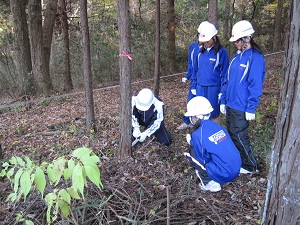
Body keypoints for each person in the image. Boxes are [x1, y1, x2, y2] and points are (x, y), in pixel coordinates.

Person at [219, 20, 266, 174]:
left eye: (238, 40)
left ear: (247, 38)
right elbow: (226, 81)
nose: (236, 43)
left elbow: (255, 85)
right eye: (235, 40)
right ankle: (239, 161)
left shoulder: (255, 58)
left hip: (242, 106)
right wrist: (223, 100)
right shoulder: (235, 59)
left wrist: (251, 107)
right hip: (230, 104)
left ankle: (251, 166)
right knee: (231, 134)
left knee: (239, 136)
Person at [184, 96, 241, 192]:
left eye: (192, 117)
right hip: (236, 168)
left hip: (224, 174)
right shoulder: (218, 127)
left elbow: (202, 158)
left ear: (197, 117)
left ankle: (210, 183)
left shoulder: (198, 134)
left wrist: (191, 143)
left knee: (190, 153)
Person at [190, 21, 229, 125]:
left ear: (214, 38)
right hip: (200, 87)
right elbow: (195, 70)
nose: (206, 43)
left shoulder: (221, 52)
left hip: (214, 88)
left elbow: (225, 74)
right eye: (204, 41)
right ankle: (202, 136)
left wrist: (222, 91)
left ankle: (214, 134)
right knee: (200, 113)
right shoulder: (198, 52)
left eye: (208, 40)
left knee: (213, 114)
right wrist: (193, 85)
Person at [177, 21, 209, 130]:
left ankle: (200, 123)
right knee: (191, 101)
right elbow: (191, 63)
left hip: (202, 80)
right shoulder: (193, 46)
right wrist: (188, 75)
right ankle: (188, 121)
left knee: (201, 102)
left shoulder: (207, 49)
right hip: (194, 79)